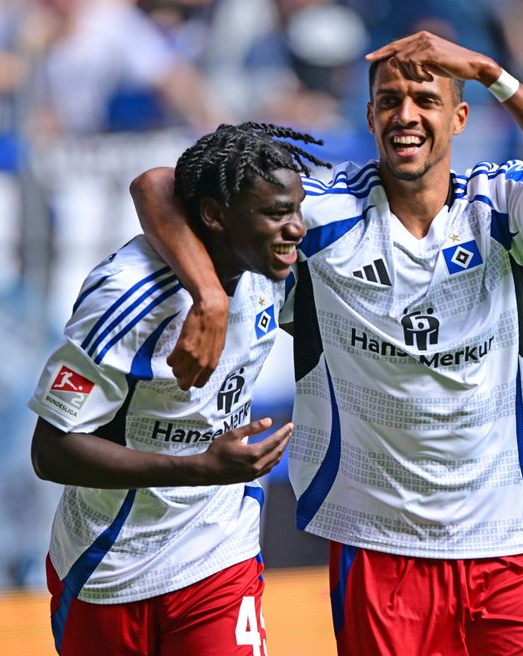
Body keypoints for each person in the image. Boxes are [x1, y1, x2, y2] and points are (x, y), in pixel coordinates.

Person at [130, 31, 523, 655]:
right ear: (369, 115)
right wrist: (210, 296)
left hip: (508, 541)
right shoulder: (326, 217)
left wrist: (493, 72)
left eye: (425, 99)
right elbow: (157, 184)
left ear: (460, 116)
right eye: (389, 100)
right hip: (380, 544)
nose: (405, 115)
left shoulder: (495, 205)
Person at [28, 122, 327, 655]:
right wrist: (197, 469)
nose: (297, 229)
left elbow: (154, 182)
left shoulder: (268, 264)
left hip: (218, 554)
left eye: (297, 210)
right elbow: (50, 451)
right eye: (278, 215)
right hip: (107, 563)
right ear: (214, 215)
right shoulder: (127, 300)